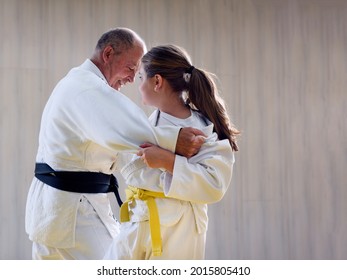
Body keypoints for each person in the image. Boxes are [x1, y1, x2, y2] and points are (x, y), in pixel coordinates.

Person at [25, 28, 205, 260]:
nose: (132, 79)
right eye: (131, 68)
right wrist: (175, 140)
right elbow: (129, 130)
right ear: (108, 54)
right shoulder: (87, 87)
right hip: (74, 216)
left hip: (52, 214)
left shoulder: (74, 82)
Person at [104, 44, 240, 260]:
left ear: (157, 81)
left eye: (141, 77)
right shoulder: (145, 126)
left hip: (179, 231)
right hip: (138, 221)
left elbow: (214, 184)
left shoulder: (203, 129)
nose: (137, 85)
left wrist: (168, 161)